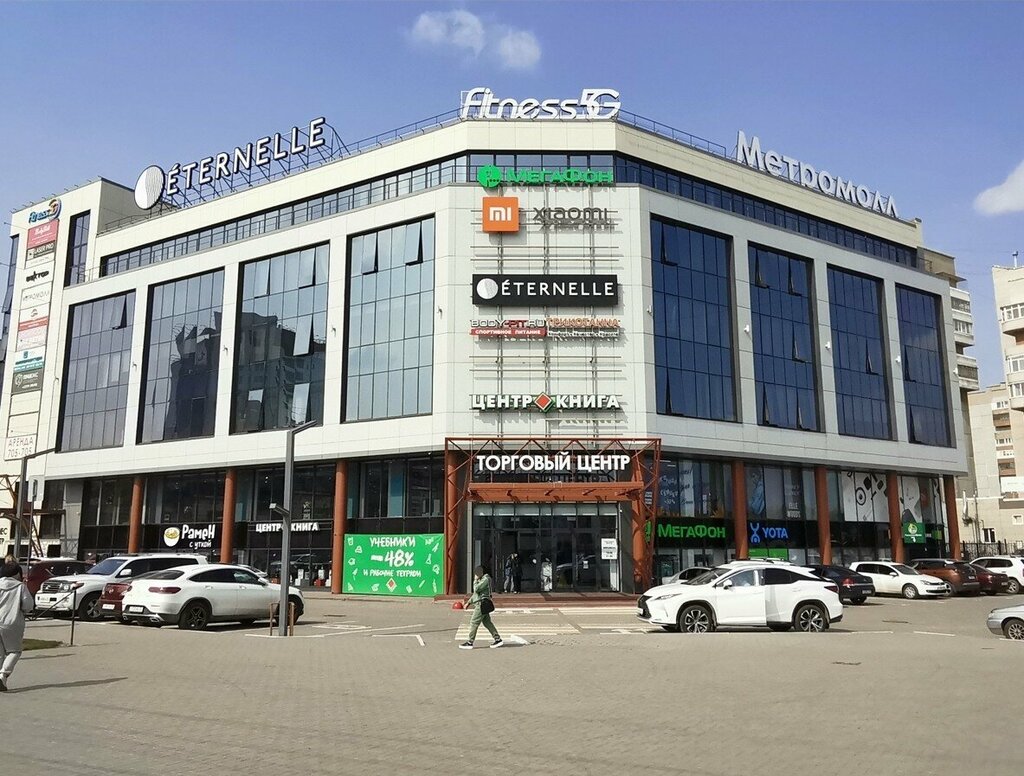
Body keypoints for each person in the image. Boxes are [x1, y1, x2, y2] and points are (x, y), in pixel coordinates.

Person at [0, 562, 33, 691]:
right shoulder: (20, 587)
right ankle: (3, 675)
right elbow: (28, 605)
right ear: (16, 574)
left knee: (0, 653)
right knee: (14, 651)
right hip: (12, 622)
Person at [460, 565, 502, 650]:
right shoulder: (482, 579)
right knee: (487, 622)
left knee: (474, 622)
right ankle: (497, 639)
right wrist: (468, 602)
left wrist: (475, 580)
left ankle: (470, 642)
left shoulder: (486, 579)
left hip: (481, 604)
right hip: (481, 603)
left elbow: (476, 589)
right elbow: (476, 594)